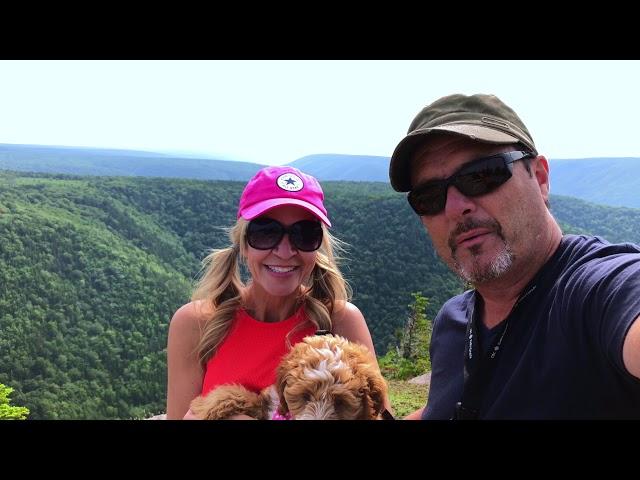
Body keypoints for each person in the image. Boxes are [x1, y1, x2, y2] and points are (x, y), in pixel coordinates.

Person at [389, 93, 640, 420]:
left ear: (540, 178)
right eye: (430, 196)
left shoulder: (596, 293)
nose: (454, 207)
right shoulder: (453, 321)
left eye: (481, 175)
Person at [166, 165, 389, 419]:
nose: (285, 251)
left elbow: (377, 412)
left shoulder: (340, 320)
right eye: (265, 232)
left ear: (318, 247)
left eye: (304, 235)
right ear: (243, 244)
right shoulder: (195, 323)